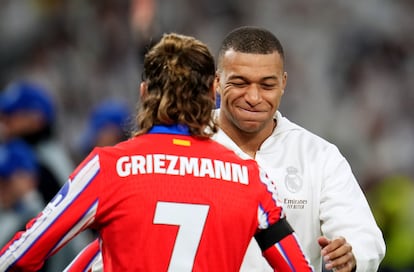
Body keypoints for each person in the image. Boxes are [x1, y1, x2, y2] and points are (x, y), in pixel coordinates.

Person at [0, 33, 313, 271]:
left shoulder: (108, 167)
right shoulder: (250, 178)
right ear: (212, 94)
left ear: (144, 92)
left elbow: (21, 255)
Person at [212, 26, 385, 272]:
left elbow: (364, 237)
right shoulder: (183, 145)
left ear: (283, 83)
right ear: (217, 82)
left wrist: (352, 254)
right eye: (240, 83)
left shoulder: (318, 156)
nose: (253, 96)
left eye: (267, 85)